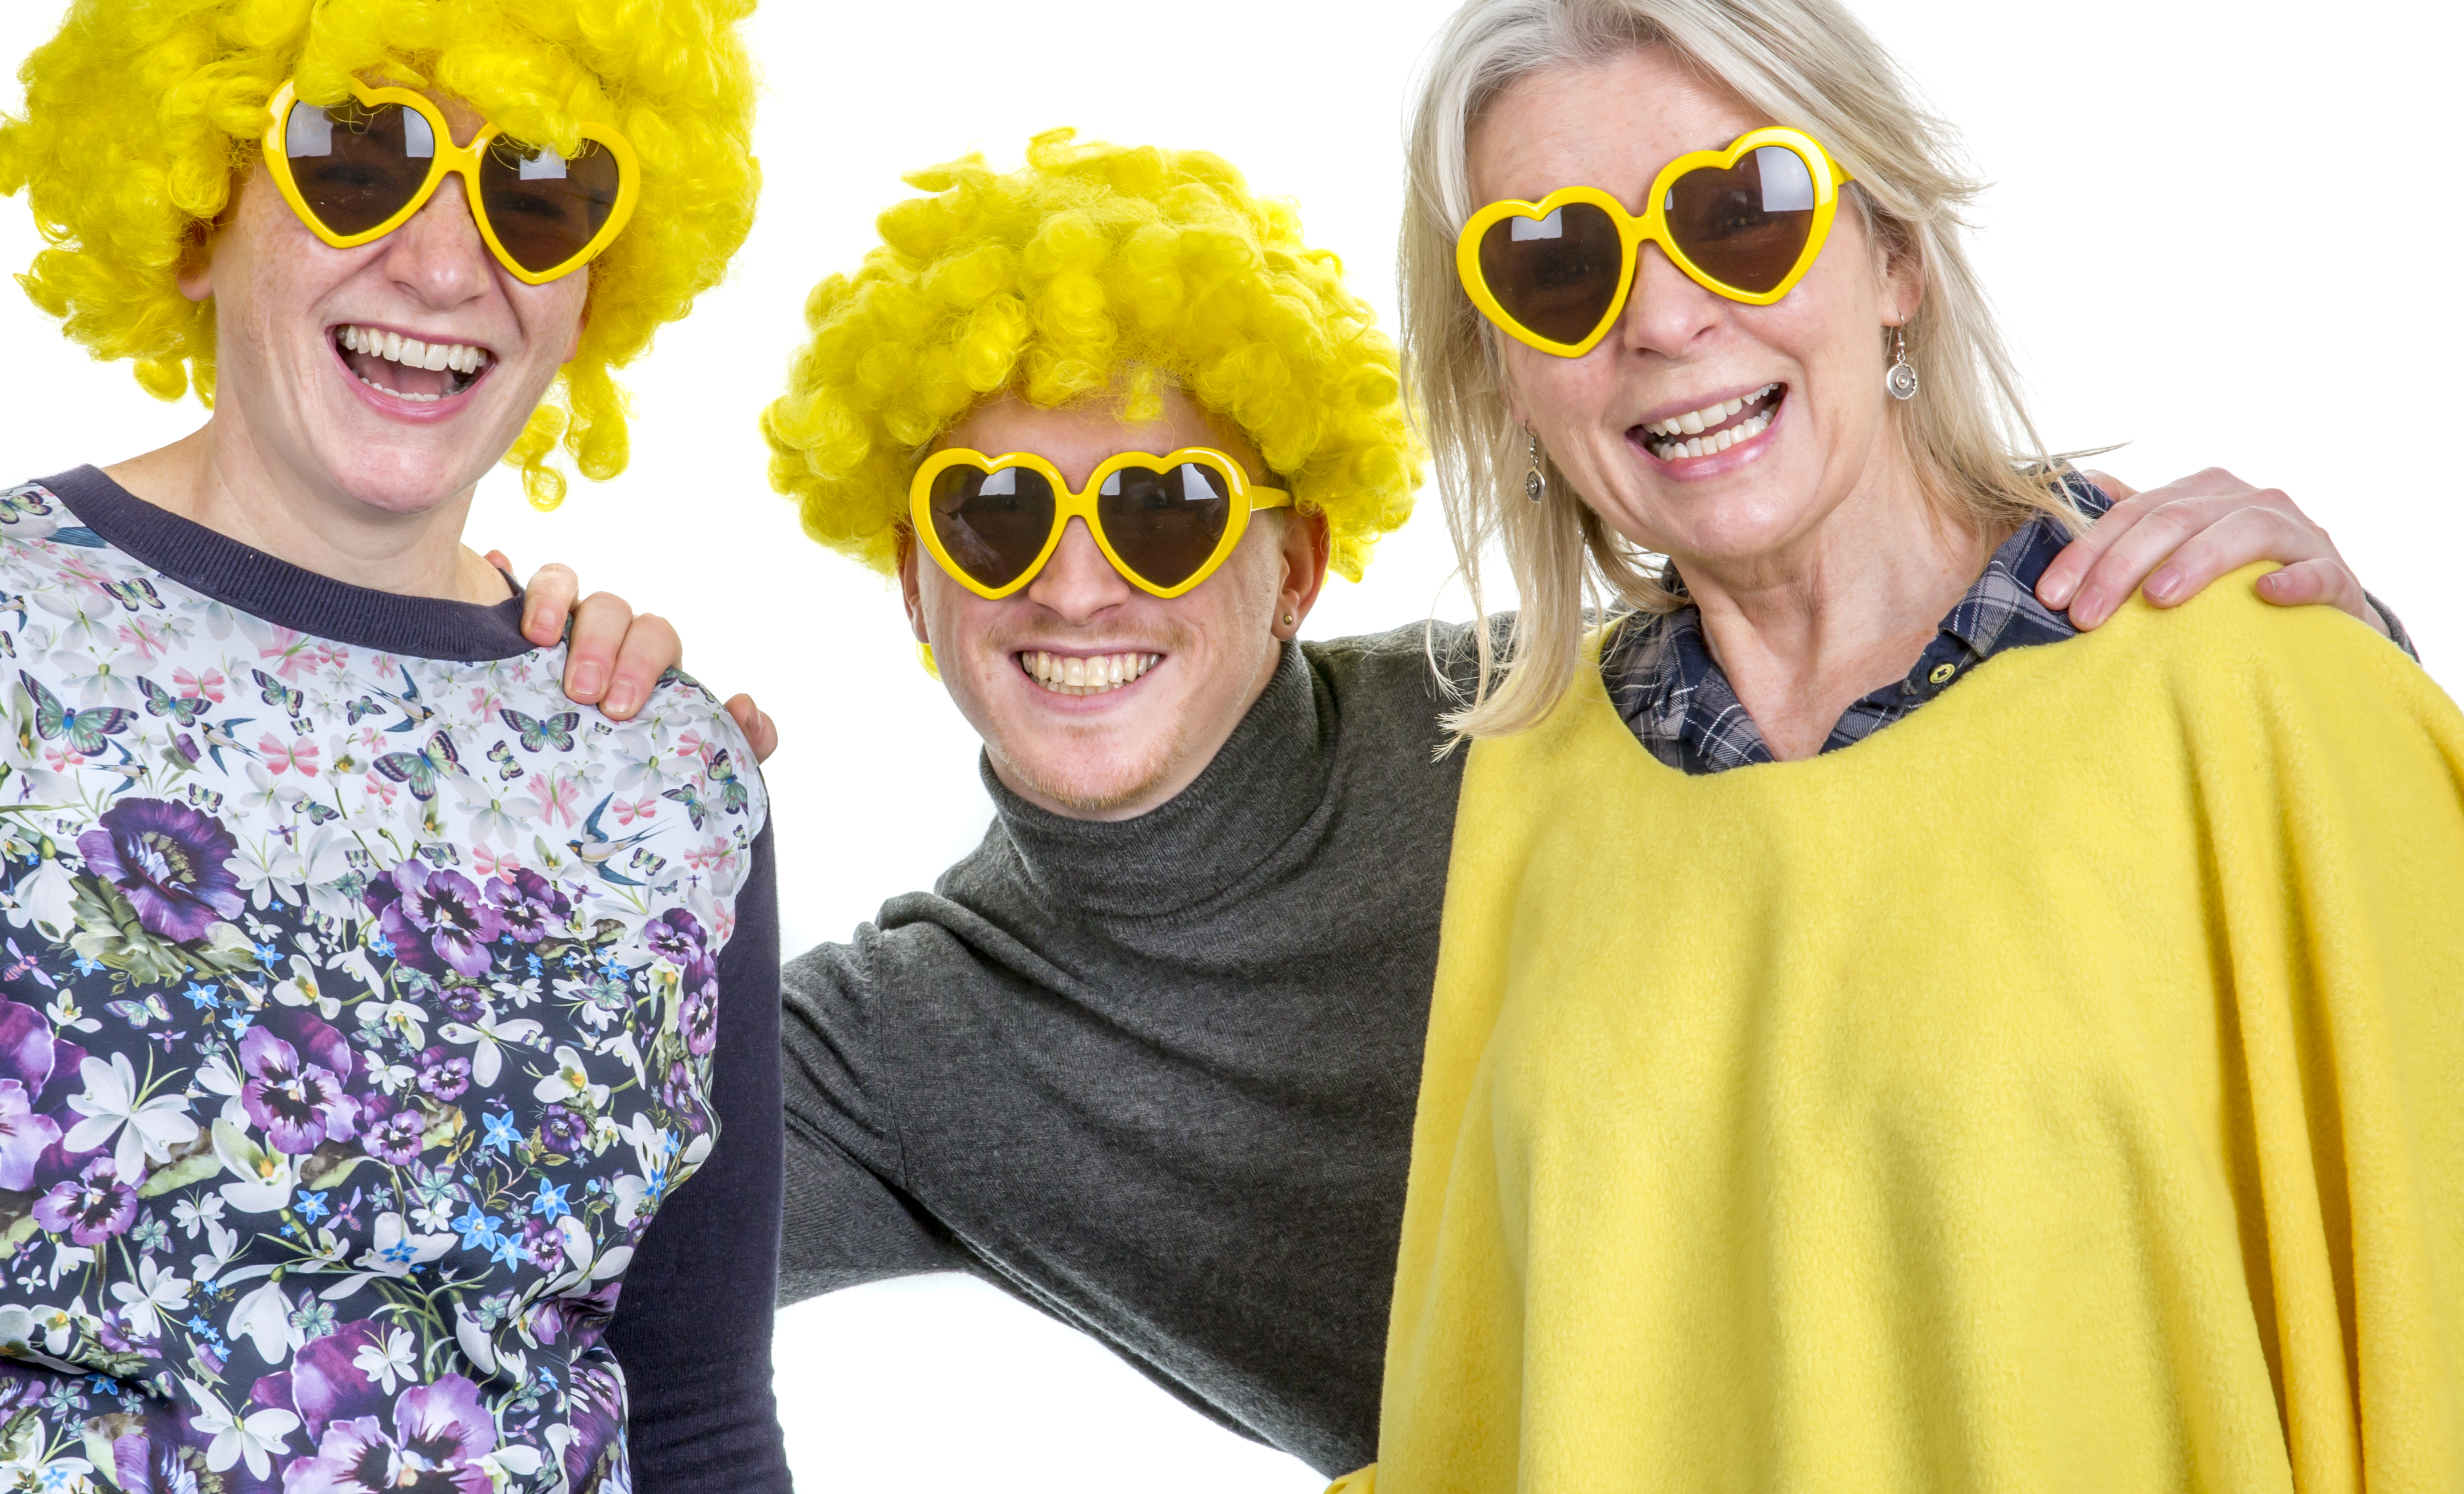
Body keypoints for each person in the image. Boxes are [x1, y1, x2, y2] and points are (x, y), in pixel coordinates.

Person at [755, 130, 2414, 1480]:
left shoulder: (1561, 734)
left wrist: (2295, 653)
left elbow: (1991, 795)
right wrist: (550, 782)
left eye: (1167, 509)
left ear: (1296, 561)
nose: (1074, 586)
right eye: (986, 517)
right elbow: (531, 1200)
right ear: (909, 579)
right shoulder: (904, 1045)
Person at [0, 0, 792, 1494]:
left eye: (534, 190)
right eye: (359, 160)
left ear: (594, 276)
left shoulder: (659, 772)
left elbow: (696, 1421)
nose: (441, 262)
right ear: (199, 209)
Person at [1363, 0, 2463, 1487]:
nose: (1664, 320)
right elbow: (1481, 1423)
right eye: (1555, 266)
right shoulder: (1527, 788)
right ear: (1502, 368)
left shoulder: (2239, 670)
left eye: (1738, 215)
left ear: (1889, 256)